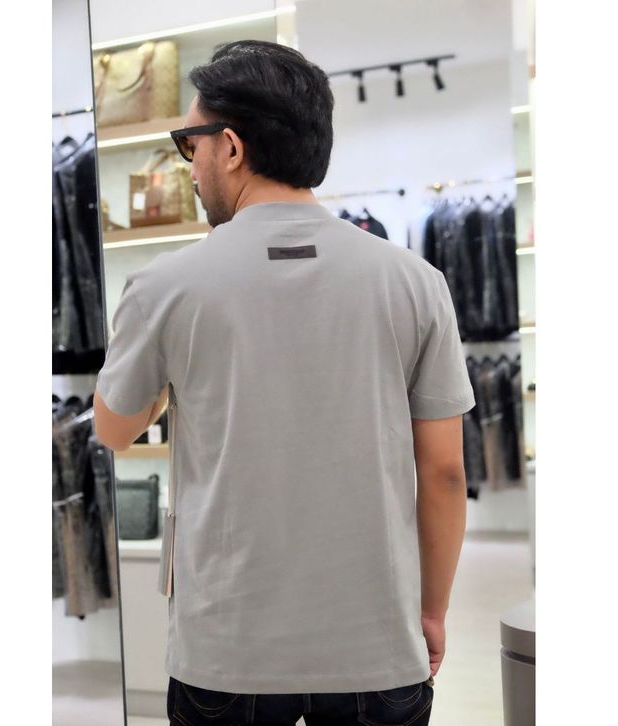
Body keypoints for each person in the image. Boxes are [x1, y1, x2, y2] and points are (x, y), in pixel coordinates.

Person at [93, 40, 475, 726]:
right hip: (377, 643)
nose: (190, 166)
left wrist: (167, 380)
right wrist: (431, 612)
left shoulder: (163, 287)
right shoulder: (417, 282)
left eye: (190, 145)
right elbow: (445, 473)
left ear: (230, 147)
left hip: (226, 649)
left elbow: (114, 430)